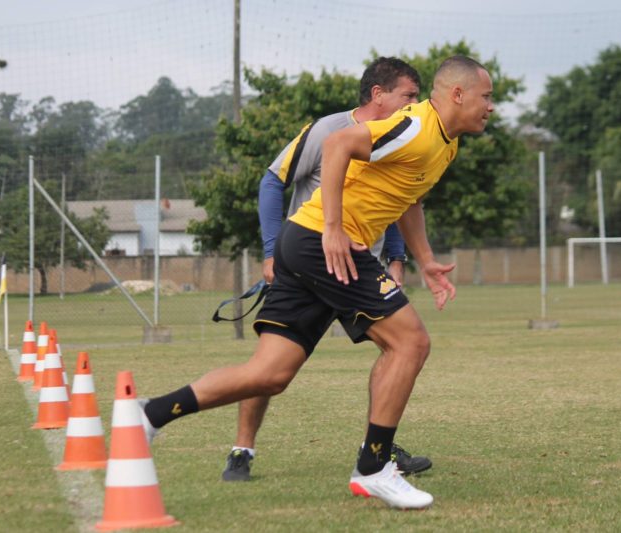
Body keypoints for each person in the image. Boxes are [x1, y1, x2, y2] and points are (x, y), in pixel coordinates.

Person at [140, 55, 494, 509]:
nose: (490, 107)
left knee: (270, 374)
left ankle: (150, 413)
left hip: (307, 245)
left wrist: (424, 261)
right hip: (324, 244)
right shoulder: (415, 126)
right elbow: (337, 146)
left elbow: (410, 199)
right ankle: (373, 468)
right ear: (458, 94)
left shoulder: (444, 143)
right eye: (486, 97)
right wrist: (331, 227)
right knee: (410, 343)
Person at [222, 56, 431, 482]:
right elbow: (270, 182)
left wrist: (396, 259)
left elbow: (396, 201)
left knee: (398, 349)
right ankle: (242, 450)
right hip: (309, 262)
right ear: (378, 95)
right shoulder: (327, 131)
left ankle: (377, 451)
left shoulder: (398, 137)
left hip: (357, 267)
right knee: (270, 368)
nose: (415, 105)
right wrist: (270, 253)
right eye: (409, 96)